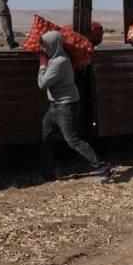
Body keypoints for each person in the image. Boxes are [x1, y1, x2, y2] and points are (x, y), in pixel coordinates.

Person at [38, 31, 113, 184]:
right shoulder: (54, 59)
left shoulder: (59, 62)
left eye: (45, 45)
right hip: (55, 105)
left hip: (65, 106)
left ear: (53, 44)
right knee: (45, 137)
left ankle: (104, 167)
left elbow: (42, 84)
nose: (43, 49)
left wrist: (42, 66)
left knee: (73, 141)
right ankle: (47, 173)